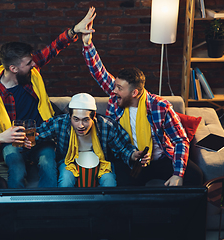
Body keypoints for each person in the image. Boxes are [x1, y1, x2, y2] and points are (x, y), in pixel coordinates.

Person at [81, 8, 203, 186]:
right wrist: (87, 44)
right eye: (115, 87)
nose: (113, 91)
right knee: (121, 187)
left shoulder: (160, 107)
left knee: (195, 176)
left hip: (160, 158)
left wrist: (178, 174)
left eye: (119, 88)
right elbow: (98, 72)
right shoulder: (116, 99)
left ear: (135, 93)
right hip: (129, 158)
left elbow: (180, 140)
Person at [0, 8, 97, 188]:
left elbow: (53, 48)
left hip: (42, 135)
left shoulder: (30, 72)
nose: (33, 64)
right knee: (16, 168)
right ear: (13, 68)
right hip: (13, 140)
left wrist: (74, 30)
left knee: (47, 163)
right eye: (28, 63)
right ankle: (15, 210)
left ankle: (49, 208)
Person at [36, 93, 149, 187]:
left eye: (85, 120)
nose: (81, 125)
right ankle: (67, 212)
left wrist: (133, 155)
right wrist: (22, 137)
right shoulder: (60, 123)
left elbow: (122, 147)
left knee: (109, 183)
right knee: (65, 181)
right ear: (69, 116)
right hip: (69, 162)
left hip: (100, 163)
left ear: (93, 116)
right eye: (76, 119)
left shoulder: (106, 125)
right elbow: (37, 133)